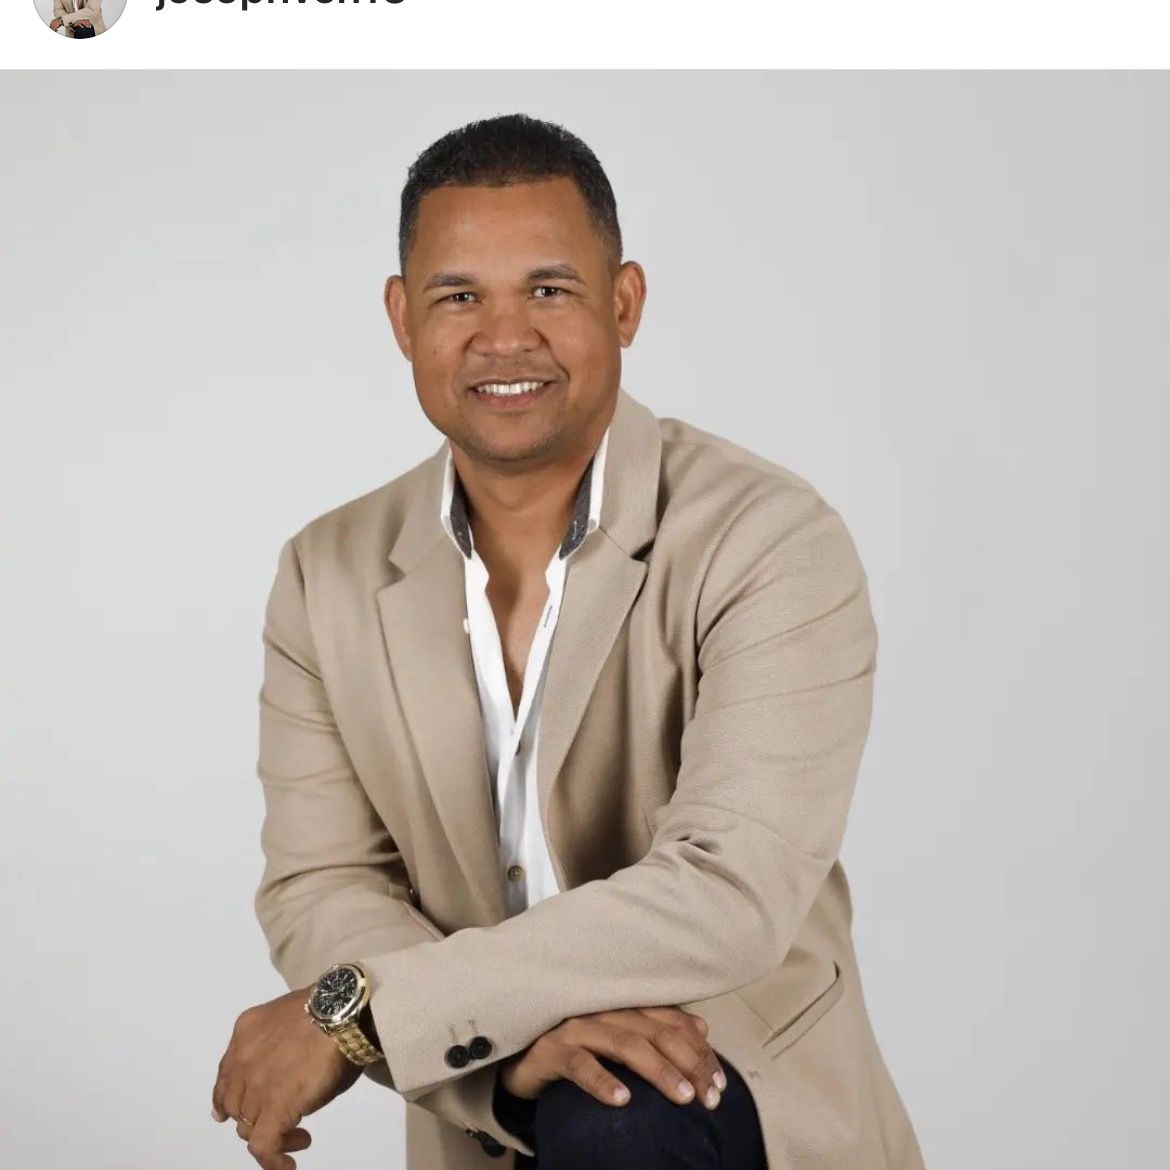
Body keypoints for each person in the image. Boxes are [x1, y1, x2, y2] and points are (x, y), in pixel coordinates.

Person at [210, 113, 927, 1170]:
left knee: (621, 1115)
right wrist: (508, 1046)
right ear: (402, 318)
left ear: (624, 304)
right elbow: (322, 882)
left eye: (549, 290)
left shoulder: (770, 539)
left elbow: (727, 892)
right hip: (486, 1106)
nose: (505, 338)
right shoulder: (327, 571)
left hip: (727, 1092)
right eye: (459, 297)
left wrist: (366, 1013)